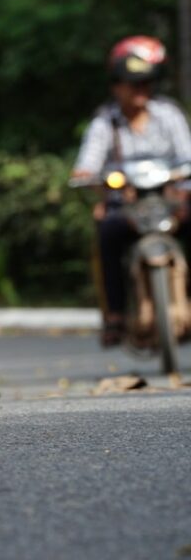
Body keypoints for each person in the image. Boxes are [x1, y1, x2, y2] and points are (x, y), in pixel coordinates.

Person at [72, 35, 191, 346]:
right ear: (117, 86)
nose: (140, 91)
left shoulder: (168, 114)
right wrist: (88, 175)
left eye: (145, 84)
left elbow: (187, 157)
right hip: (127, 206)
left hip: (169, 201)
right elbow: (87, 164)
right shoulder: (105, 122)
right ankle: (115, 316)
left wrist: (183, 188)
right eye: (133, 84)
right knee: (107, 231)